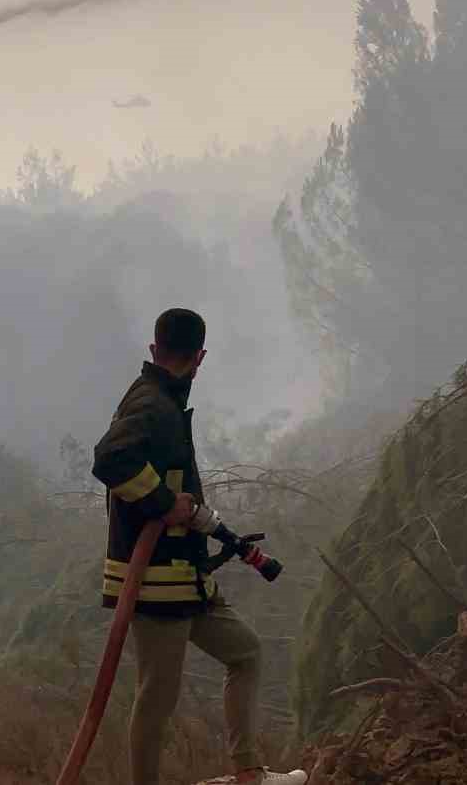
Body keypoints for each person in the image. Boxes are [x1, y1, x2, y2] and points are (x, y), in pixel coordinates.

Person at [92, 309, 307, 785]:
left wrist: (185, 513)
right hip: (154, 582)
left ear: (154, 349)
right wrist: (168, 503)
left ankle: (248, 771)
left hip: (186, 577)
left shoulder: (161, 399)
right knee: (157, 696)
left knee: (246, 653)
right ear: (201, 357)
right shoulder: (152, 403)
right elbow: (110, 458)